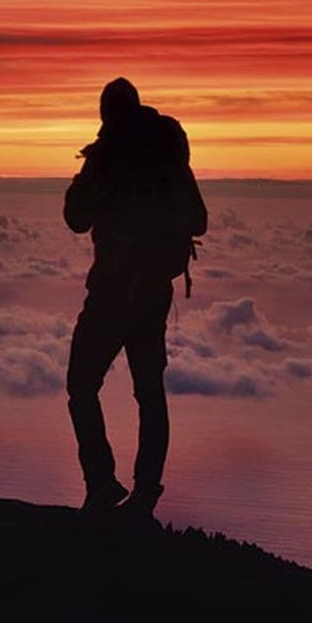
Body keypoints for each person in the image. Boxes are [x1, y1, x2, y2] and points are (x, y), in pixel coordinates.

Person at [63, 78, 207, 515]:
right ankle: (145, 494)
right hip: (151, 294)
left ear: (106, 113)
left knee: (82, 385)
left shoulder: (106, 155)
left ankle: (101, 484)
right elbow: (198, 220)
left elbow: (75, 217)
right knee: (150, 393)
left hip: (110, 291)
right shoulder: (167, 156)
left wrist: (87, 177)